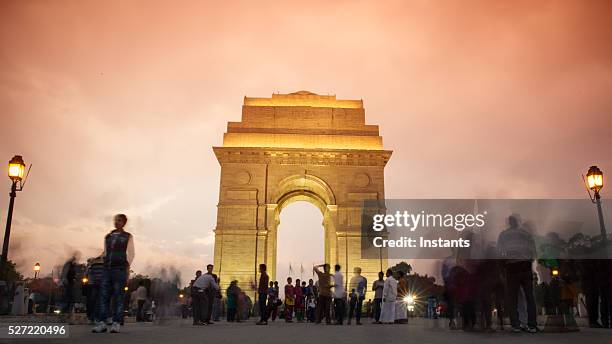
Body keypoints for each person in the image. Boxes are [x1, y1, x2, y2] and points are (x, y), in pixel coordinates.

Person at [93, 214, 135, 333]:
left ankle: (116, 322)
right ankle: (102, 322)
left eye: (119, 220)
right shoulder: (108, 236)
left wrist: (126, 265)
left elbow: (131, 252)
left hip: (119, 269)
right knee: (104, 296)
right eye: (115, 220)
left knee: (118, 296)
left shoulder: (127, 236)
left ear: (124, 222)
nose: (116, 222)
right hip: (107, 268)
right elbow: (106, 252)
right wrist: (99, 259)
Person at [497, 214, 538, 333]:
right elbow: (533, 252)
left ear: (509, 223)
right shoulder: (526, 234)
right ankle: (532, 325)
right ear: (518, 222)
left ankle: (516, 325)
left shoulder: (503, 235)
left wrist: (502, 268)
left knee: (513, 298)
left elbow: (499, 252)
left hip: (511, 268)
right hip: (525, 268)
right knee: (530, 297)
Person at [84, 255, 104, 324]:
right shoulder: (102, 265)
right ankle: (95, 317)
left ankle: (91, 317)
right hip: (97, 285)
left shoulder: (91, 266)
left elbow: (86, 275)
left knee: (92, 301)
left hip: (92, 285)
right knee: (97, 302)